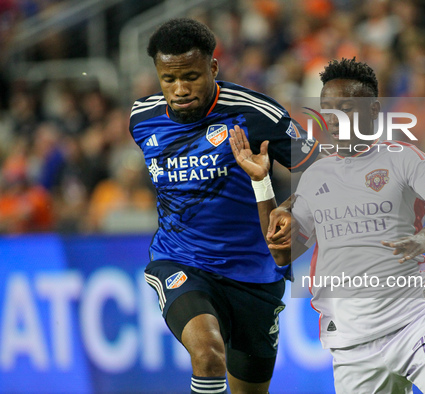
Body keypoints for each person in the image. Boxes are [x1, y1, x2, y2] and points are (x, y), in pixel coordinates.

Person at [231, 58, 425, 393]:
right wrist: (261, 184)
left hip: (412, 321)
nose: (333, 119)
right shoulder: (315, 177)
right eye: (327, 109)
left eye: (346, 108)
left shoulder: (404, 158)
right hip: (353, 343)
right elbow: (282, 253)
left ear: (374, 110)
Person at [128, 18, 318, 394]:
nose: (180, 89)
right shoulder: (142, 120)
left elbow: (324, 173)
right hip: (181, 261)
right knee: (208, 352)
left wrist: (290, 208)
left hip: (254, 275)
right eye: (169, 79)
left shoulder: (254, 114)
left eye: (192, 77)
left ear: (213, 68)